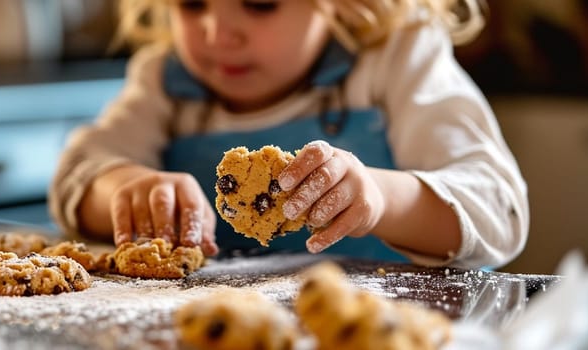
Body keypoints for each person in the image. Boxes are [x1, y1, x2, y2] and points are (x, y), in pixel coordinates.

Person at [49, 0, 528, 269]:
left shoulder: (397, 59)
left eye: (261, 5)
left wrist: (379, 198)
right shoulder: (165, 80)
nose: (218, 33)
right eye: (192, 4)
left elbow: (500, 208)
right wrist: (128, 187)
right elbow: (76, 174)